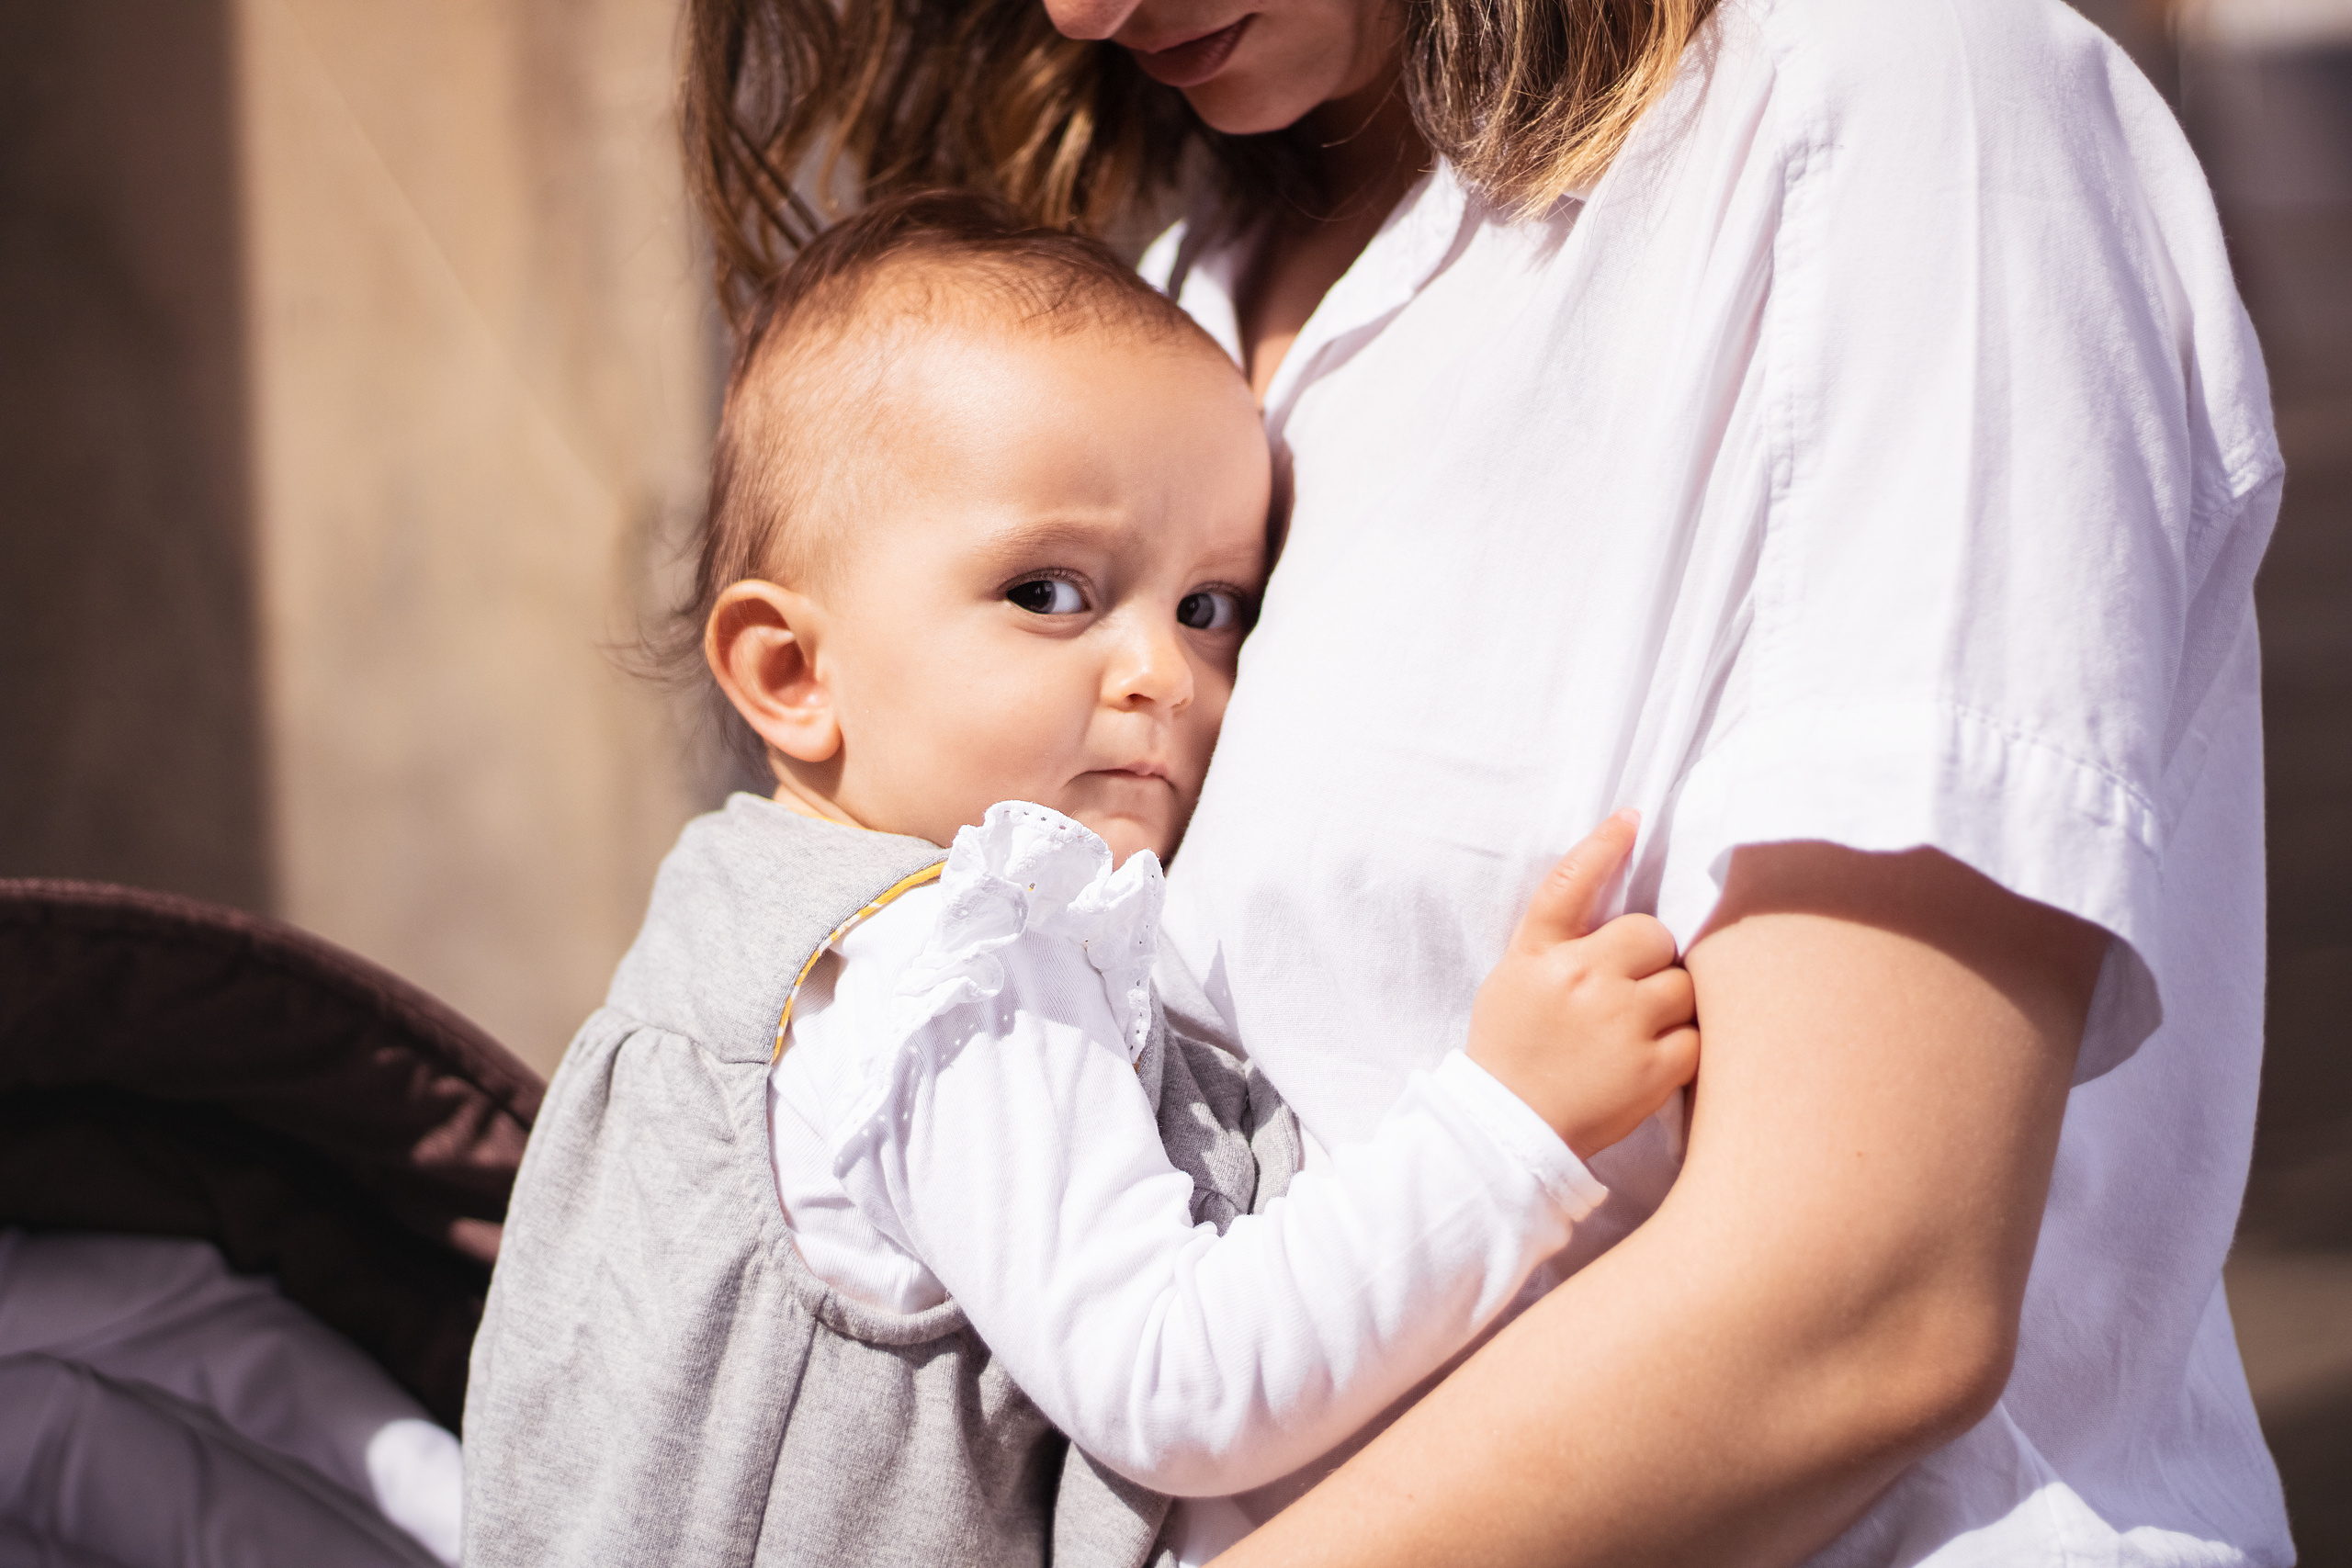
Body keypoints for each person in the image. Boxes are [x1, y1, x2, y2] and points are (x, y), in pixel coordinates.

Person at [684, 0, 2293, 1562]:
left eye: (1211, 616)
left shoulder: (1879, 107)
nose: (1084, 11)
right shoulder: (1164, 312)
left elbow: (1865, 1299)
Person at [459, 192, 1700, 1567]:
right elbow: (1172, 1377)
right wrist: (1507, 1127)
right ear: (791, 673)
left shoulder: (743, 913)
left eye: (1210, 607)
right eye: (1049, 593)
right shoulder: (952, 979)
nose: (1161, 674)